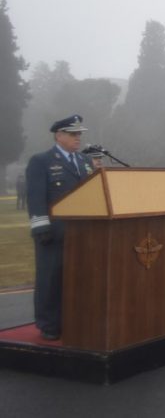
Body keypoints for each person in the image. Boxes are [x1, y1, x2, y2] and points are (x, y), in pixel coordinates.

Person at [26, 114, 92, 340]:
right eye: (73, 134)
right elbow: (35, 197)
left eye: (80, 134)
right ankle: (49, 324)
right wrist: (41, 228)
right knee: (50, 278)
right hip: (53, 232)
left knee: (79, 278)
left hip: (83, 233)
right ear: (59, 135)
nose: (78, 138)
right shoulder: (41, 160)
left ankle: (76, 319)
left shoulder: (85, 161)